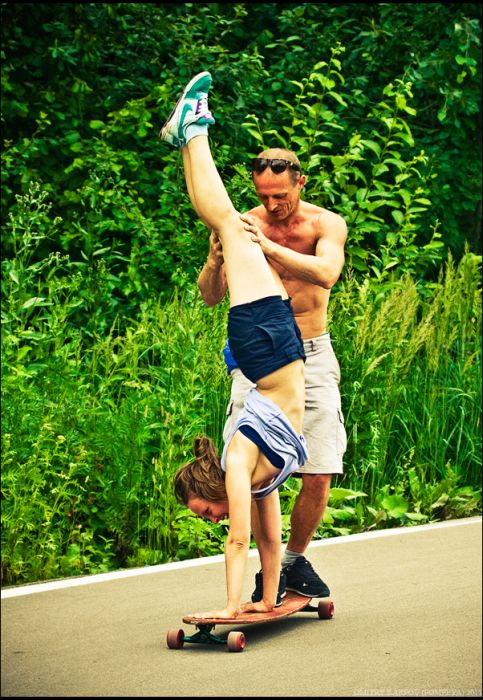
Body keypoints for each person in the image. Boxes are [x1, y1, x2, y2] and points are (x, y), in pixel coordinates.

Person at [160, 71, 309, 620]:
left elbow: (236, 543)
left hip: (265, 344)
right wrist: (264, 603)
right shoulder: (254, 476)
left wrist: (230, 607)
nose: (212, 518)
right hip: (275, 344)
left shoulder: (240, 461)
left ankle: (192, 132)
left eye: (203, 511)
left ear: (210, 484)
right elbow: (264, 543)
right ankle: (188, 133)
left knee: (228, 223)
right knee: (228, 226)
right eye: (208, 516)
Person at [197, 121, 347, 603]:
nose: (272, 205)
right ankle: (265, 568)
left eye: (280, 195)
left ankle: (293, 560)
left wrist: (269, 248)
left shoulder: (325, 224)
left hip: (312, 351)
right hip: (259, 360)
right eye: (264, 195)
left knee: (320, 468)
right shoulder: (248, 222)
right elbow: (210, 297)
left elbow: (326, 274)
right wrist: (218, 260)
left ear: (300, 182)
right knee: (252, 469)